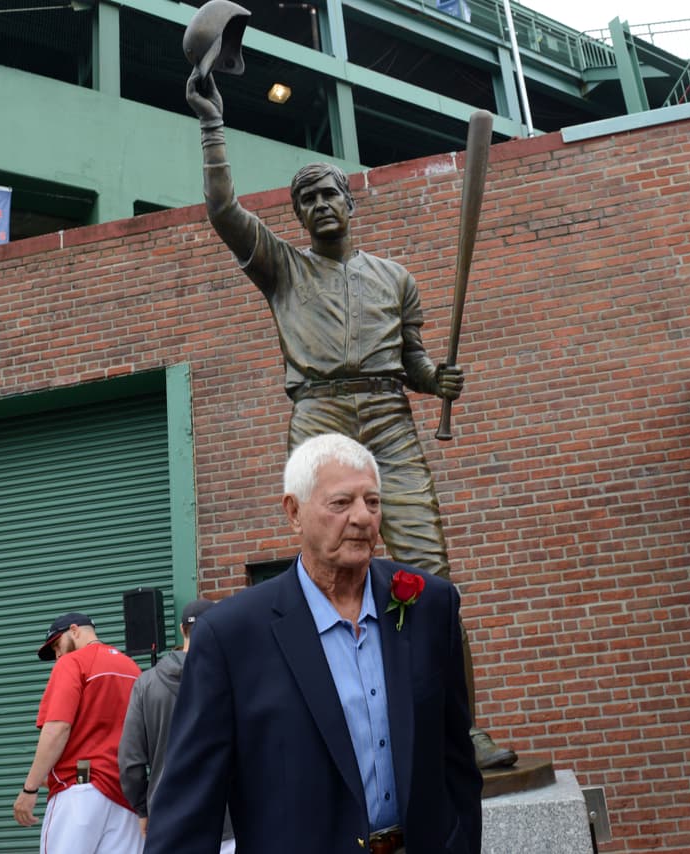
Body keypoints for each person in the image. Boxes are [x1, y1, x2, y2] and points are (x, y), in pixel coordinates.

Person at [185, 63, 514, 769]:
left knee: (431, 578)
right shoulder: (281, 268)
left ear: (349, 204)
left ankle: (459, 730)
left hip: (389, 418)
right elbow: (221, 210)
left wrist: (439, 379)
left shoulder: (395, 279)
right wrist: (213, 124)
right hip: (319, 416)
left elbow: (418, 364)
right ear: (299, 217)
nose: (321, 205)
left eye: (331, 192)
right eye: (307, 201)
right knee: (328, 572)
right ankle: (344, 725)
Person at [143, 433, 482, 854]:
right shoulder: (232, 637)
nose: (362, 517)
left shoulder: (429, 605)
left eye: (372, 502)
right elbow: (188, 809)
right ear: (294, 513)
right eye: (341, 503)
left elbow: (457, 761)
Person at [13, 612, 143, 854]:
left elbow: (57, 728)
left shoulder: (73, 663)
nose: (58, 655)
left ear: (74, 630)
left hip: (79, 787)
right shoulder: (132, 668)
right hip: (125, 795)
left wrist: (29, 789)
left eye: (57, 646)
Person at [118, 599, 235, 853]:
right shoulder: (234, 678)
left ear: (183, 630)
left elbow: (130, 761)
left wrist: (142, 809)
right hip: (227, 821)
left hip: (169, 818)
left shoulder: (146, 684)